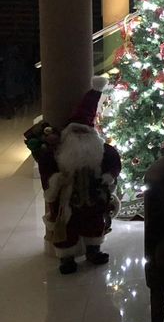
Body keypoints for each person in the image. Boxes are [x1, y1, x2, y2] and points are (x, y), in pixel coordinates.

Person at [35, 78, 121, 274]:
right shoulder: (57, 153)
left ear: (93, 135)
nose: (81, 137)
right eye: (76, 133)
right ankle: (66, 258)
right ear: (67, 135)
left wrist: (108, 176)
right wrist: (56, 182)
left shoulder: (103, 151)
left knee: (94, 222)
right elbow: (46, 168)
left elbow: (114, 162)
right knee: (66, 227)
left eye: (85, 133)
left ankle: (93, 250)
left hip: (94, 195)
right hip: (68, 199)